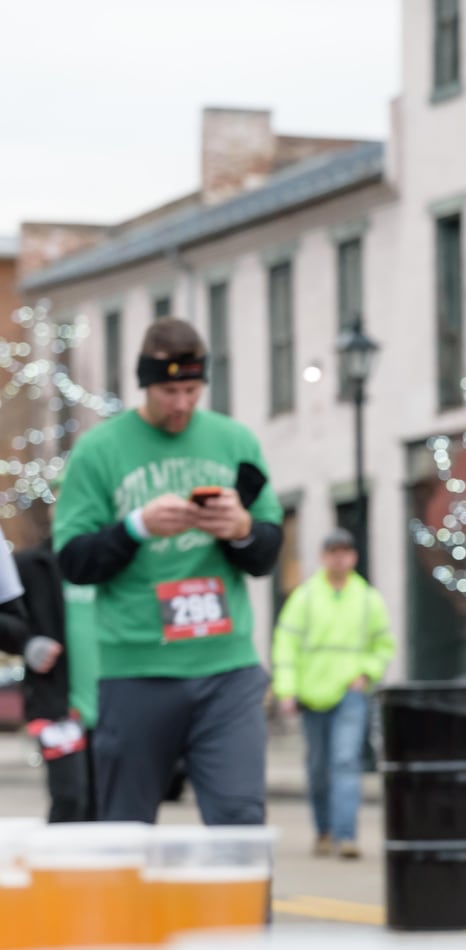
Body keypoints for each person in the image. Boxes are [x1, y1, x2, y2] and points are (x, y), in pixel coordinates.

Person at [54, 317, 283, 825]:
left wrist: (241, 528)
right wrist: (135, 527)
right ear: (145, 384)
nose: (181, 404)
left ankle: (240, 909)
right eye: (168, 390)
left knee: (240, 821)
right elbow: (73, 561)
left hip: (227, 667)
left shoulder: (234, 441)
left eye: (191, 389)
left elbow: (267, 552)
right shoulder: (99, 450)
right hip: (137, 670)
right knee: (126, 831)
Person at [272, 528, 394, 859]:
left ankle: (346, 835)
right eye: (332, 552)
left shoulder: (368, 599)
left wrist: (366, 672)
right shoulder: (305, 597)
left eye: (345, 551)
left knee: (345, 761)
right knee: (318, 767)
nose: (339, 558)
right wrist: (286, 690)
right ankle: (324, 830)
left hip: (350, 692)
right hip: (311, 695)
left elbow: (383, 646)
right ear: (323, 557)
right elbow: (286, 645)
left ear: (353, 556)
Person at [0, 486, 100, 822]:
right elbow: (9, 620)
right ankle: (62, 871)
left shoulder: (113, 565)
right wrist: (27, 644)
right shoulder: (31, 566)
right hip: (57, 705)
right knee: (71, 799)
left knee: (106, 805)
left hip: (114, 703)